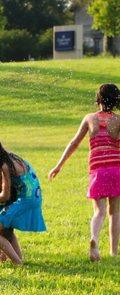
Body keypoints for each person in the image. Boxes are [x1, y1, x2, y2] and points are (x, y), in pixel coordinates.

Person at [49, 83, 120, 261]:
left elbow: (73, 143)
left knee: (99, 211)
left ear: (98, 100)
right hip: (116, 169)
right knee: (115, 211)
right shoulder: (118, 120)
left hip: (98, 170)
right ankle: (113, 251)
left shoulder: (90, 118)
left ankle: (94, 239)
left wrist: (59, 165)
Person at [0, 136, 46, 265]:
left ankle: (17, 263)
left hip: (26, 200)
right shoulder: (10, 156)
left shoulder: (5, 165)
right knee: (7, 230)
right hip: (34, 197)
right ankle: (19, 261)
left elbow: (5, 196)